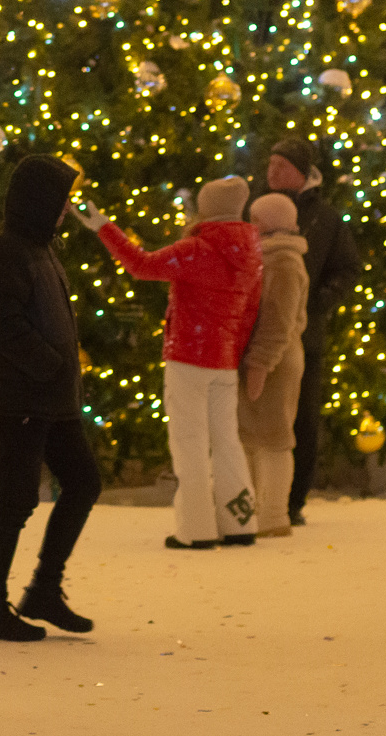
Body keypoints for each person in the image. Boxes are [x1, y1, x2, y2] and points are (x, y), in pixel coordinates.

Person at [79, 177, 262, 549]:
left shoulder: (196, 249)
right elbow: (249, 313)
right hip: (224, 361)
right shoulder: (251, 253)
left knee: (189, 442)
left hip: (189, 358)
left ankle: (196, 529)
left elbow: (141, 265)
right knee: (227, 440)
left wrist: (104, 228)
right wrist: (235, 356)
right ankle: (240, 521)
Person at [0, 154, 99, 642]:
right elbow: (1, 324)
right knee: (17, 499)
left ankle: (44, 587)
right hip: (22, 395)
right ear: (40, 201)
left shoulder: (40, 246)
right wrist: (49, 364)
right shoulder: (4, 248)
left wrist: (61, 373)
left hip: (52, 396)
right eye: (61, 199)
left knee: (83, 482)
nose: (67, 209)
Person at [260, 138, 359, 527]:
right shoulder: (257, 210)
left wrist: (317, 301)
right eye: (270, 165)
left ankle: (292, 500)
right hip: (259, 333)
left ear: (302, 174)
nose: (272, 173)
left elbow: (347, 267)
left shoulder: (326, 219)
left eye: (281, 166)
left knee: (301, 417)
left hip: (305, 336)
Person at [239, 192, 311, 540]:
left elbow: (278, 322)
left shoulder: (283, 263)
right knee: (252, 435)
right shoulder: (270, 258)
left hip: (275, 360)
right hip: (264, 357)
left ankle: (273, 514)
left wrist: (260, 363)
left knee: (274, 436)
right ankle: (249, 509)